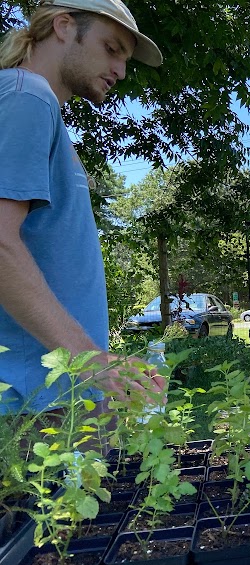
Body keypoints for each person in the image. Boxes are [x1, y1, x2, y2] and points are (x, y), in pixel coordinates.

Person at [0, 0, 164, 414]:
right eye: (111, 48)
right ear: (63, 26)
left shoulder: (38, 106)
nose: (121, 71)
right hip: (31, 410)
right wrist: (92, 362)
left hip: (57, 401)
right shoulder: (28, 97)